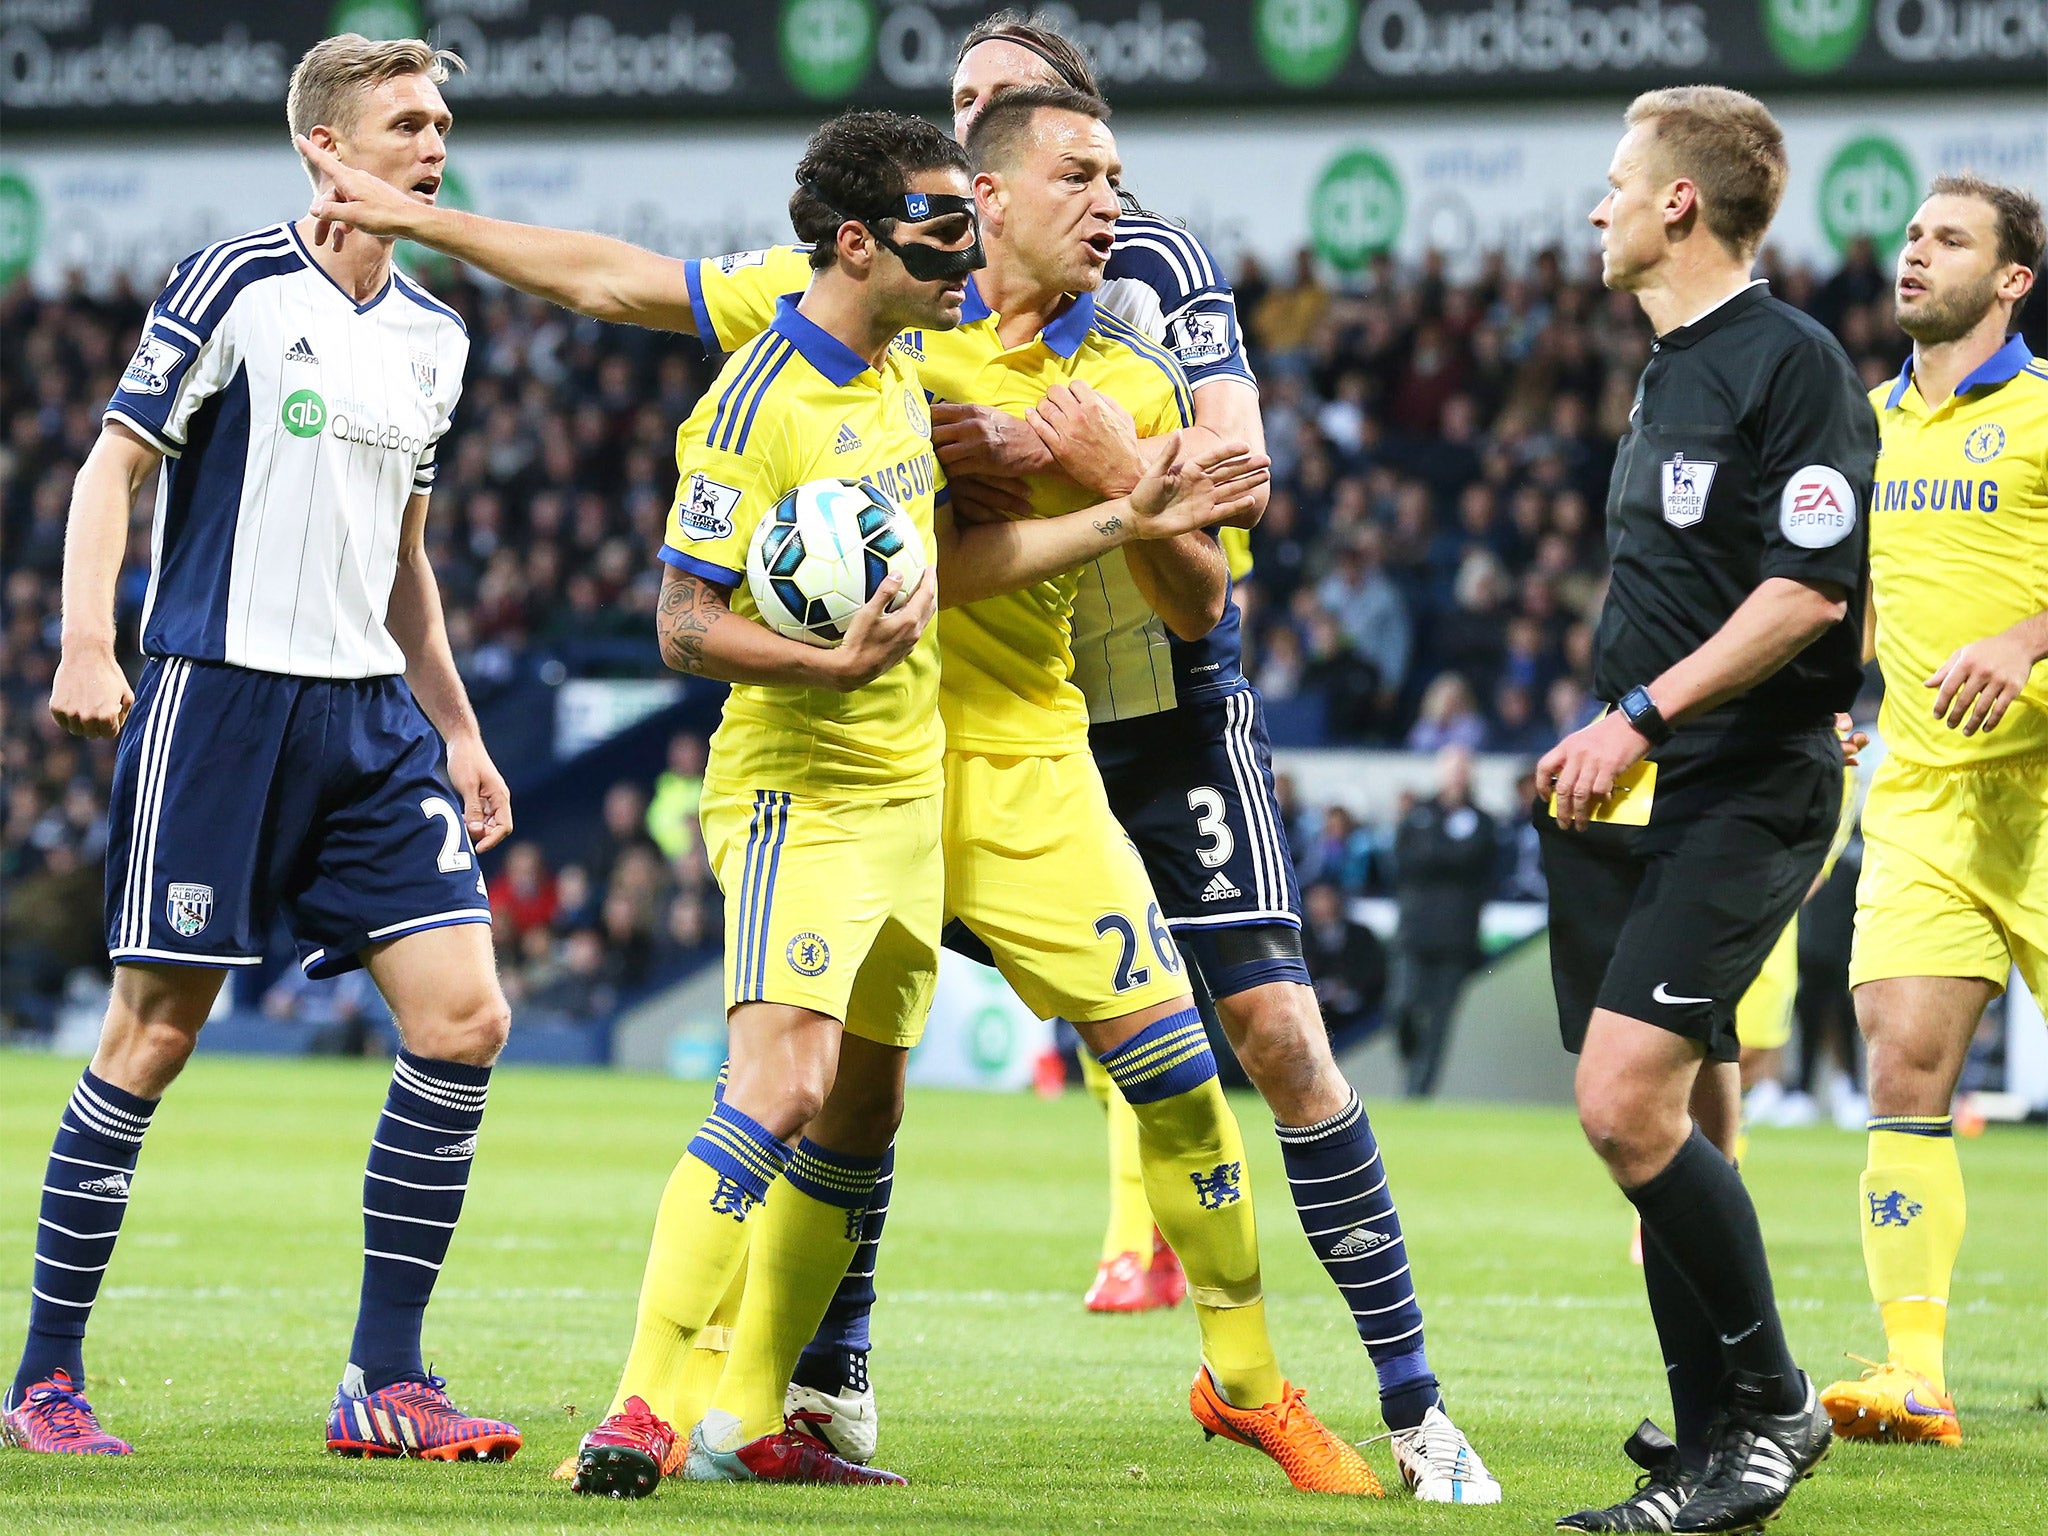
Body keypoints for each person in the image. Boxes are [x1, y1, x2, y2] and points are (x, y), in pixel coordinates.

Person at [302, 73, 1375, 1502]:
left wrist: (1119, 500)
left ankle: (1231, 1389)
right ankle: (659, 1409)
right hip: (814, 782)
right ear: (895, 229)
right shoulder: (781, 371)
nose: (1093, 206)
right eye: (1066, 176)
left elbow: (1068, 569)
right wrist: (417, 221)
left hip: (983, 770)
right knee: (798, 1093)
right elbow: (673, 574)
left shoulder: (941, 367)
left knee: (1094, 1082)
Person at [1, 35, 522, 1463]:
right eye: (407, 123)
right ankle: (44, 1379)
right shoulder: (234, 282)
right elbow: (114, 463)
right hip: (218, 706)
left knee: (465, 1020)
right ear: (325, 147)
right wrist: (87, 641)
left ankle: (386, 1382)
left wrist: (458, 731)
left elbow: (406, 563)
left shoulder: (436, 335)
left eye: (442, 122)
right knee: (154, 1036)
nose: (436, 144)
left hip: (370, 724)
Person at [1538, 87, 1874, 1533]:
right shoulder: (1668, 365)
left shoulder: (1791, 362)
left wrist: (1637, 715)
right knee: (1655, 1119)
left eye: (1617, 181)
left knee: (1624, 1105)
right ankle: (1704, 1442)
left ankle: (1774, 1409)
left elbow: (1809, 593)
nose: (1596, 205)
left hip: (1741, 783)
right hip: (1640, 790)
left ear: (1678, 201)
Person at [1818, 177, 2047, 1448]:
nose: (1913, 253)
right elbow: (1853, 592)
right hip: (1921, 792)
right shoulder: (1866, 425)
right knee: (1901, 1056)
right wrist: (1822, 698)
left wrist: (2023, 637)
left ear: (2011, 278)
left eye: (1947, 240)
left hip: (2043, 788)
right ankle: (1915, 1376)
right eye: (1910, 235)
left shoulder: (2044, 410)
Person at [1392, 746, 1497, 1098]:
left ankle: (1417, 1093)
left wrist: (1435, 852)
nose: (1456, 777)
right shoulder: (1419, 813)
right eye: (1451, 769)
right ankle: (1409, 1063)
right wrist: (1447, 853)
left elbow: (1473, 860)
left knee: (1439, 1021)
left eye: (1462, 769)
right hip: (1414, 932)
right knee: (1401, 1007)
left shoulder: (1482, 820)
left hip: (1457, 937)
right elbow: (1406, 860)